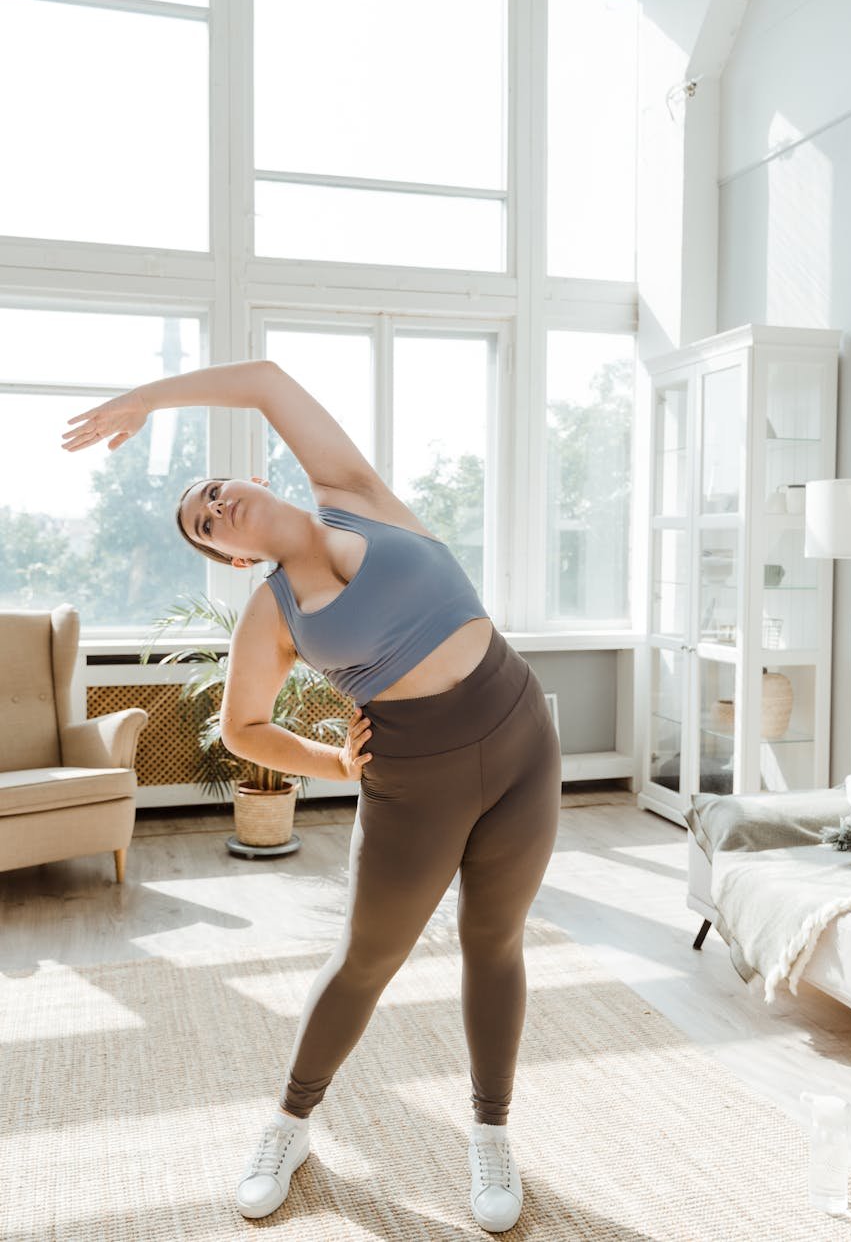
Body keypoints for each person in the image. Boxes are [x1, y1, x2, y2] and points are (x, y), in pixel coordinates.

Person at [61, 358, 562, 1233]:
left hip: (523, 741)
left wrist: (144, 399)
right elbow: (240, 729)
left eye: (216, 491)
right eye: (205, 524)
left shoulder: (352, 491)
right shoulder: (274, 612)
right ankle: (289, 1127)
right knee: (367, 960)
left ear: (252, 480)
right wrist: (332, 765)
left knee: (495, 942)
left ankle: (490, 1134)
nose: (217, 508)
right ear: (234, 554)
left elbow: (262, 379)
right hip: (414, 782)